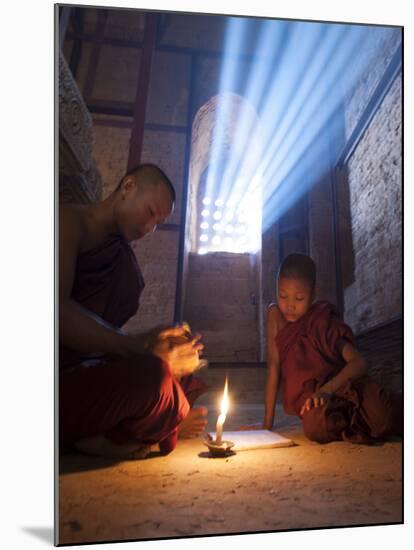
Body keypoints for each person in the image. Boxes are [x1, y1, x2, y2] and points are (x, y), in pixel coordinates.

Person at [59, 163, 208, 459]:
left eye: (157, 223)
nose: (149, 228)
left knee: (178, 379)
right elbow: (55, 314)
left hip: (92, 371)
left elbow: (102, 337)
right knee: (155, 378)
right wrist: (140, 346)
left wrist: (161, 343)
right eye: (151, 213)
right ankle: (103, 436)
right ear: (127, 188)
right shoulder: (67, 222)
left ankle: (95, 435)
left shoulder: (122, 260)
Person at [260, 253, 402, 444]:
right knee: (315, 427)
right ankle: (356, 419)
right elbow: (273, 368)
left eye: (299, 298)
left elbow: (359, 363)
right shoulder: (275, 316)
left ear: (313, 294)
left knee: (383, 415)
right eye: (283, 296)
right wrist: (265, 426)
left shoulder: (322, 320)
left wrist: (327, 390)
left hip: (343, 386)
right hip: (316, 401)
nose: (290, 305)